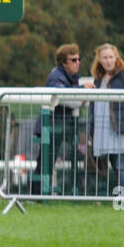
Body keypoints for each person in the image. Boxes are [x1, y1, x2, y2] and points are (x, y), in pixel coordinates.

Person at [87, 44, 124, 194]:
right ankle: (120, 197)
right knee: (115, 165)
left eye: (111, 57)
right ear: (99, 60)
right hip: (103, 130)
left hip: (122, 129)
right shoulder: (97, 81)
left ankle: (122, 200)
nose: (108, 61)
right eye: (105, 57)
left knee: (123, 165)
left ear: (116, 58)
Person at [34, 43, 84, 190]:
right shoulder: (56, 76)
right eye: (73, 60)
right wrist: (82, 92)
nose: (78, 62)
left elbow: (74, 101)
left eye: (78, 59)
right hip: (51, 126)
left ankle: (39, 194)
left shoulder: (69, 76)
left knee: (48, 162)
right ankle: (37, 194)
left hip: (58, 125)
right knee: (45, 163)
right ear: (63, 63)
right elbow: (71, 101)